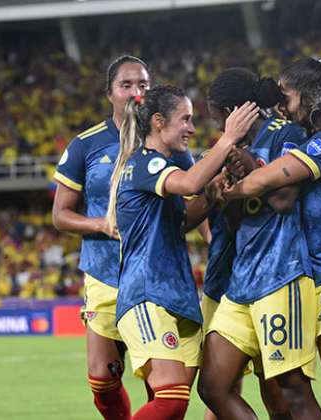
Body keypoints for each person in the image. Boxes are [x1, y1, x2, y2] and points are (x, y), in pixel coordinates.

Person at [222, 56, 321, 419]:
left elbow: (267, 181)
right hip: (318, 277)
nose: (281, 104)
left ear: (310, 96)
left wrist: (223, 191)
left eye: (287, 95)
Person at [51, 56, 196, 419]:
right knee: (103, 380)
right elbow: (60, 214)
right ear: (110, 93)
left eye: (143, 85)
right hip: (104, 274)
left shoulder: (171, 144)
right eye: (127, 85)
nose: (136, 92)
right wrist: (100, 224)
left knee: (163, 387)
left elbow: (194, 199)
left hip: (155, 273)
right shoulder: (86, 145)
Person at [106, 85, 258, 419]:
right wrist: (228, 138)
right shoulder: (144, 164)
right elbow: (189, 184)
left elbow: (181, 219)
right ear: (159, 122)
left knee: (175, 409)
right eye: (185, 119)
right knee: (171, 398)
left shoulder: (161, 166)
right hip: (147, 294)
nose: (191, 128)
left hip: (179, 297)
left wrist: (212, 197)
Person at [196, 66, 321, 420]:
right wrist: (223, 193)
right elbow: (237, 220)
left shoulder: (287, 135)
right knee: (212, 386)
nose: (218, 128)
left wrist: (251, 167)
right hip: (241, 283)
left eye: (218, 118)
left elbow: (285, 199)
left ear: (233, 111)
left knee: (291, 391)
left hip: (282, 274)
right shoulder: (228, 149)